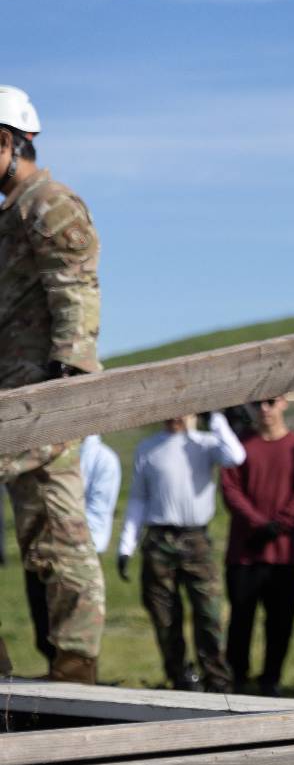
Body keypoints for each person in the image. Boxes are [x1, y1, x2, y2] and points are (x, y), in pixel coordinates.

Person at [0, 85, 106, 684]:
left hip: (44, 396)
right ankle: (66, 657)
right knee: (41, 525)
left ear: (9, 141)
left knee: (60, 526)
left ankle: (76, 660)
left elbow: (75, 295)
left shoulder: (51, 205)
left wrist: (66, 387)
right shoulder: (10, 212)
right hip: (12, 396)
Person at [118, 413, 246, 691]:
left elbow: (235, 456)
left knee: (208, 613)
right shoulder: (148, 447)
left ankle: (218, 679)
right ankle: (180, 676)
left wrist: (215, 418)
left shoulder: (205, 443)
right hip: (159, 540)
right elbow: (139, 498)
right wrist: (126, 545)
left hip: (196, 539)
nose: (176, 415)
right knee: (164, 615)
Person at [221, 396, 294, 696]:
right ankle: (238, 678)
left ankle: (270, 680)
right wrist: (258, 524)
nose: (264, 408)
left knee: (280, 622)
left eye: (271, 402)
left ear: (284, 403)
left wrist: (280, 525)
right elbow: (230, 488)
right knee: (240, 618)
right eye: (258, 403)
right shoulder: (239, 446)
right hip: (244, 552)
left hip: (285, 554)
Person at [25, 432, 121, 663]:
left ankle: (77, 690)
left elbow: (99, 515)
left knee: (76, 640)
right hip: (42, 553)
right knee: (45, 632)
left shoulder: (102, 458)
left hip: (78, 555)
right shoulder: (46, 449)